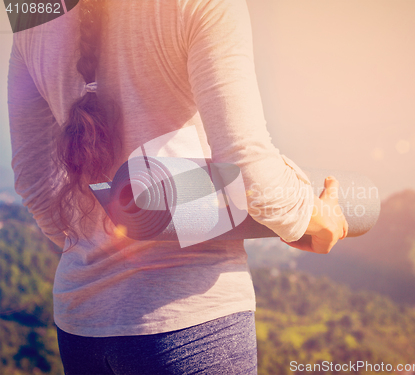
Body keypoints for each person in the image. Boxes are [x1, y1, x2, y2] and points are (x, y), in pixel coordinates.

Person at [8, 0, 347, 373]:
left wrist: (94, 245)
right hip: (190, 322)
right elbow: (249, 169)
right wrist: (312, 218)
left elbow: (34, 180)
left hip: (82, 329)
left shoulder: (31, 10)